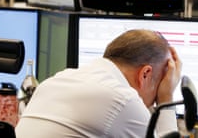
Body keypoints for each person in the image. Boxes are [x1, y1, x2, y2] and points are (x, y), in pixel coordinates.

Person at [15, 29, 182, 138]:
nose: (153, 101)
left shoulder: (55, 81)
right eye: (162, 83)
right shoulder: (123, 99)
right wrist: (166, 99)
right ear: (145, 74)